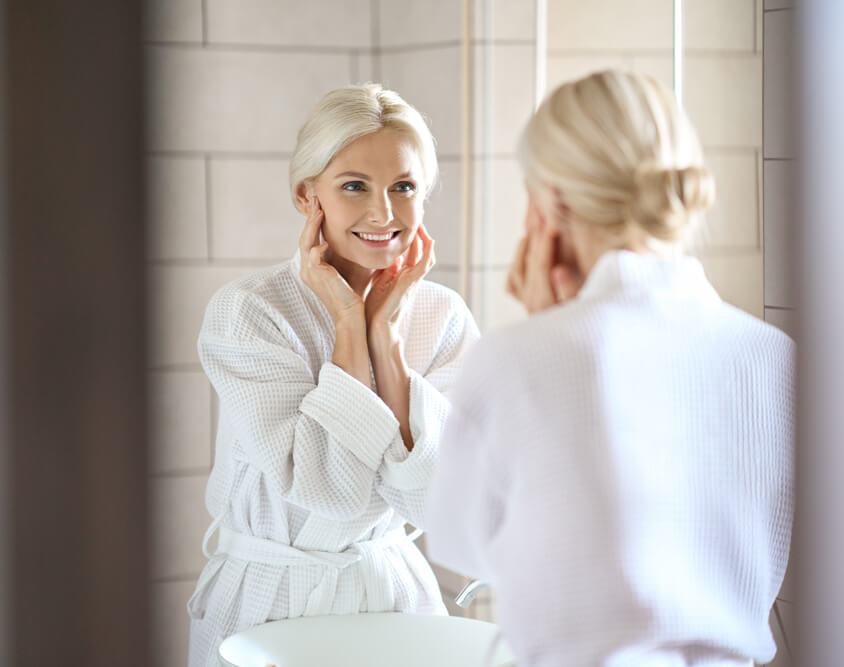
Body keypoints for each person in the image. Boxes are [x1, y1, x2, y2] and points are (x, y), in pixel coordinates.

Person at [426, 70, 795, 667]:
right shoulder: (776, 358)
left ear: (551, 203)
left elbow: (460, 542)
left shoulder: (516, 360)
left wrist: (546, 330)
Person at [186, 84, 480, 667]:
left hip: (396, 601)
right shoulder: (250, 311)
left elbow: (438, 504)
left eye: (404, 187)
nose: (384, 214)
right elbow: (328, 492)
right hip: (268, 605)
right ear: (307, 195)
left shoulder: (442, 316)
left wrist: (387, 340)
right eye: (354, 186)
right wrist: (350, 324)